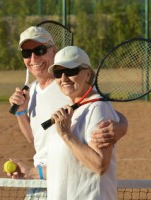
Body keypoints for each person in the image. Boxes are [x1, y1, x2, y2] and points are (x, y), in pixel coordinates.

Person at [8, 26, 127, 198]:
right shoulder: (32, 91)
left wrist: (122, 126)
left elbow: (102, 110)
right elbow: (38, 138)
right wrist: (21, 113)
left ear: (53, 51)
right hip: (45, 179)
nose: (33, 57)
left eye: (40, 50)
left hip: (68, 181)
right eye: (26, 53)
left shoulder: (71, 91)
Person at [46, 46, 118, 199]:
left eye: (71, 71)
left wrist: (66, 135)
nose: (63, 78)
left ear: (87, 74)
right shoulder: (70, 107)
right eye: (58, 73)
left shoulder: (98, 108)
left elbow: (99, 165)